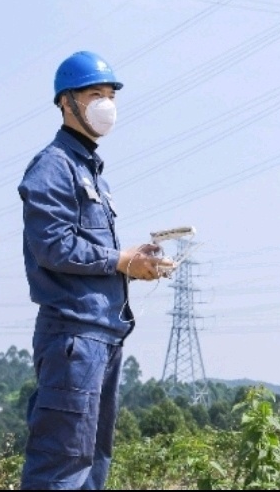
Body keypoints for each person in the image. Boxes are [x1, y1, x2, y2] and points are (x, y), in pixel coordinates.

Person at [17, 50, 175, 489]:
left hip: (102, 336)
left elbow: (90, 252)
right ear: (66, 102)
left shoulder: (92, 172)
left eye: (111, 94)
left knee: (92, 465)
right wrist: (122, 260)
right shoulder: (53, 165)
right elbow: (52, 246)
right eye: (94, 94)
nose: (106, 104)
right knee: (62, 465)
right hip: (72, 337)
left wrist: (134, 262)